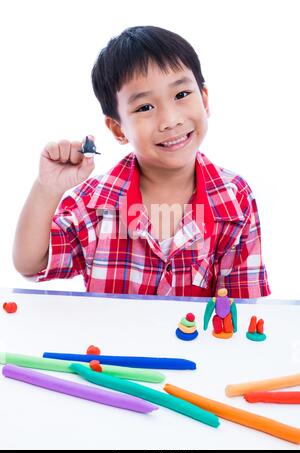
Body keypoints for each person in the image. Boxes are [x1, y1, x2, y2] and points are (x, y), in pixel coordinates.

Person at [13, 25, 271, 298]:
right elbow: (31, 264)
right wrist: (47, 187)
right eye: (144, 107)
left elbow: (242, 309)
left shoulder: (234, 198)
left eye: (181, 95)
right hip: (111, 341)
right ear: (117, 129)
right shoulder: (94, 204)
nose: (170, 120)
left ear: (204, 100)